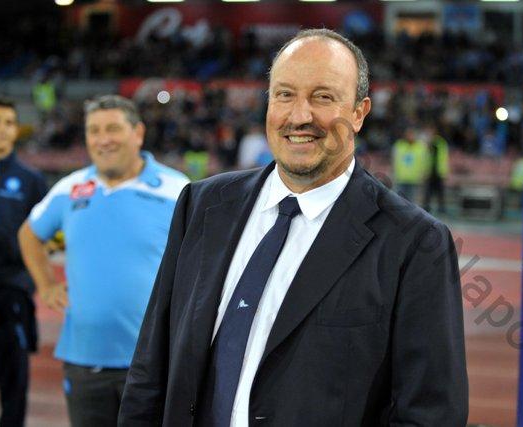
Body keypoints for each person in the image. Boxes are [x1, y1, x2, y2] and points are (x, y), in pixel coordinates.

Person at [119, 29, 468, 426]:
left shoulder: (414, 242)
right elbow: (151, 365)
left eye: (323, 97)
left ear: (359, 113)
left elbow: (430, 413)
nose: (300, 116)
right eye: (285, 94)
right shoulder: (202, 205)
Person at [18, 95, 190, 427]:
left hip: (153, 362)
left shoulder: (176, 189)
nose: (103, 139)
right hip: (84, 359)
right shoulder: (70, 188)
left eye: (112, 128)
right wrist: (47, 284)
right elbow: (29, 234)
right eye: (93, 131)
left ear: (137, 133)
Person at [0, 98, 48, 427]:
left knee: (14, 386)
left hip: (13, 293)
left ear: (16, 131)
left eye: (9, 123)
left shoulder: (32, 180)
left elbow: (47, 236)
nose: (2, 129)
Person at [422, 123, 449, 214]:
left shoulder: (441, 142)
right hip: (429, 171)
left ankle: (441, 208)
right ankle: (426, 208)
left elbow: (444, 158)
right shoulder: (425, 143)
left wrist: (444, 172)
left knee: (440, 192)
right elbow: (424, 158)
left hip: (438, 171)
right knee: (428, 192)